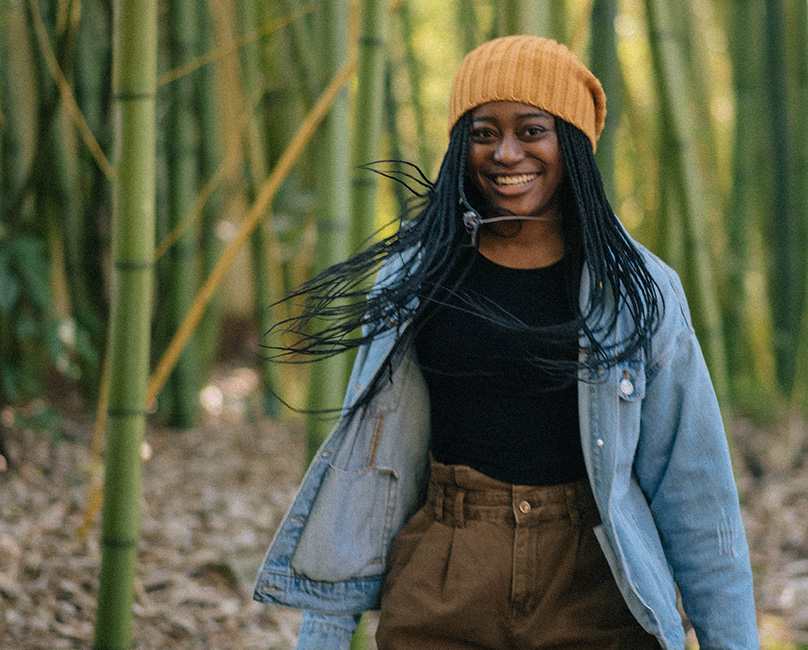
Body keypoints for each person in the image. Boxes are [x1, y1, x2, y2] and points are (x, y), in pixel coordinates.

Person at [254, 35, 758, 650]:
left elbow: (695, 490)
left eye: (532, 130)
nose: (506, 152)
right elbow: (367, 472)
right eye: (484, 132)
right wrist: (325, 634)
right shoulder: (416, 279)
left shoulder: (640, 290)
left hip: (593, 580)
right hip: (447, 569)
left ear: (570, 141)